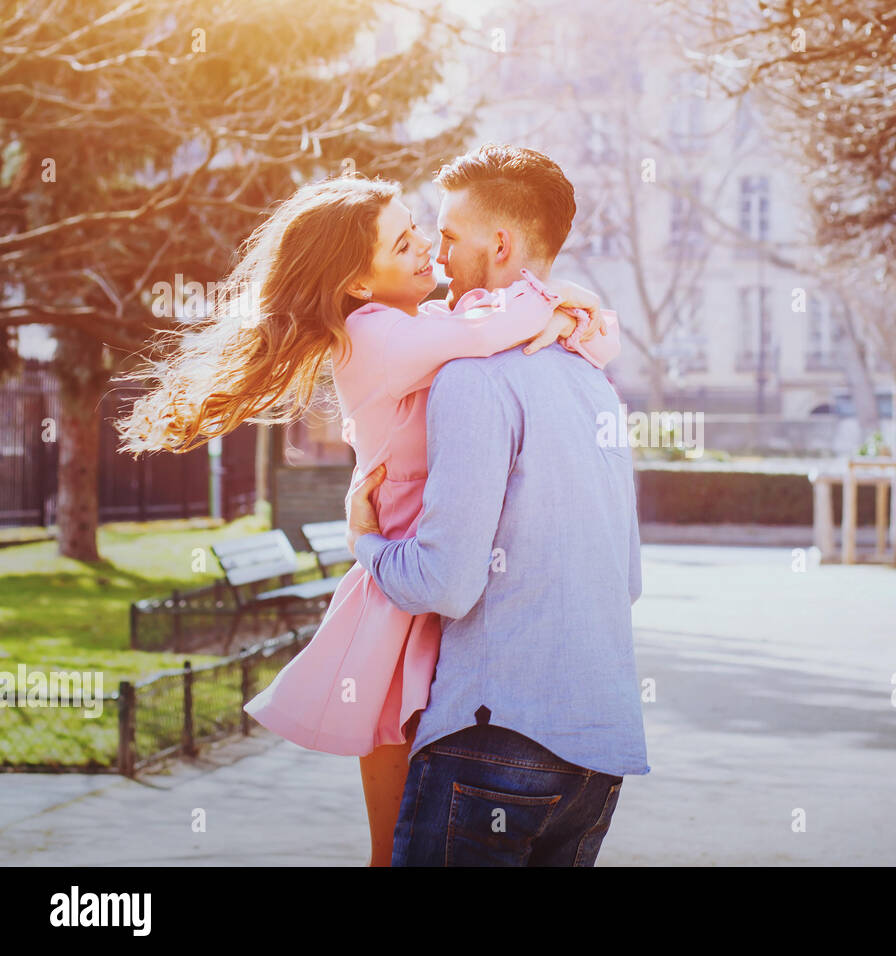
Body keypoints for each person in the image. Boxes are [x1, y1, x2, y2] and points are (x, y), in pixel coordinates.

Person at [114, 169, 618, 866]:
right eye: (406, 241)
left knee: (417, 825)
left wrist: (574, 310)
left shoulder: (424, 327)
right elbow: (504, 324)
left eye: (424, 233)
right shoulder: (374, 335)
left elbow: (566, 335)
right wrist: (563, 303)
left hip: (435, 584)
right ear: (356, 281)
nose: (429, 253)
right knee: (395, 846)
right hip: (401, 600)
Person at [345, 144, 649, 867]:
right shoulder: (593, 380)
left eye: (448, 237)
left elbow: (447, 582)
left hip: (492, 747)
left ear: (501, 244)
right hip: (596, 756)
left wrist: (367, 543)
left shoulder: (473, 379)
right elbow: (628, 579)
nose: (438, 256)